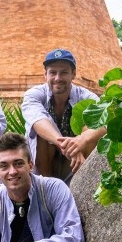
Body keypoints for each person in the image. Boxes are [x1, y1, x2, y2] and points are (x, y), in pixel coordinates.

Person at [21, 48, 107, 182]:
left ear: (73, 74)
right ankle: (46, 188)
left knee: (90, 130)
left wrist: (81, 140)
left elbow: (105, 121)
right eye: (53, 73)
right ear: (45, 75)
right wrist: (67, 146)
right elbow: (38, 121)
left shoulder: (86, 97)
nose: (58, 78)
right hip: (46, 162)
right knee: (42, 133)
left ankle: (83, 185)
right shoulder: (34, 95)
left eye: (64, 73)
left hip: (76, 163)